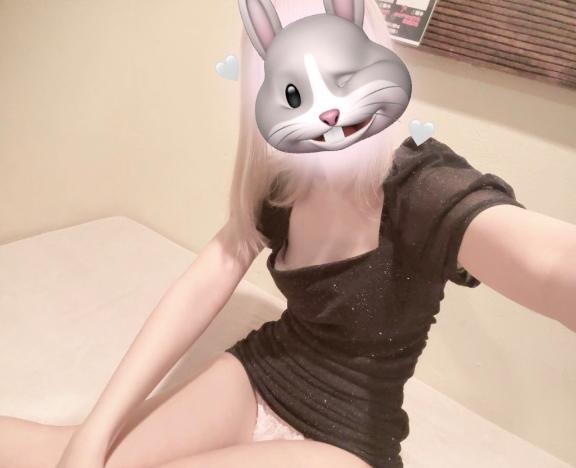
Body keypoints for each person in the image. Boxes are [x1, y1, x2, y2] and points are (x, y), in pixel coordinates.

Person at [1, 1, 574, 467]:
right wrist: (95, 431)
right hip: (261, 374)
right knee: (66, 454)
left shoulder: (420, 184)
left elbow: (550, 264)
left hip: (348, 441)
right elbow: (208, 276)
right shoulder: (283, 180)